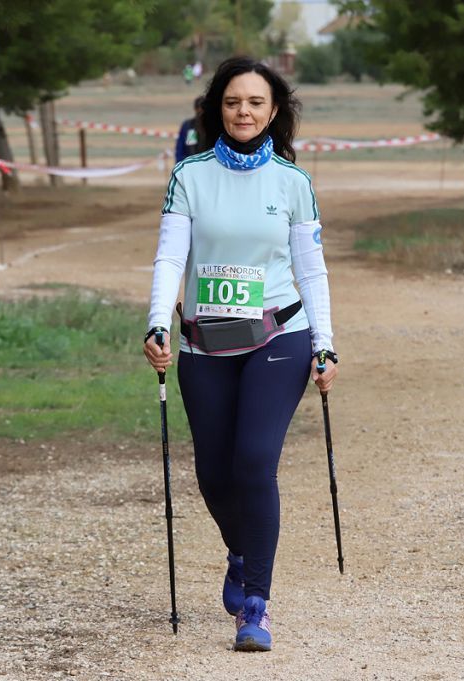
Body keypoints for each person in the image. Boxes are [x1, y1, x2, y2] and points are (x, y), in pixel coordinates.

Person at [143, 56, 337, 653]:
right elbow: (171, 256)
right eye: (232, 102)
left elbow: (311, 268)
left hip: (279, 335)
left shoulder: (292, 183)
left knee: (254, 462)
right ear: (216, 110)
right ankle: (242, 548)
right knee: (213, 475)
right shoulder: (190, 175)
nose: (244, 112)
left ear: (274, 111)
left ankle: (255, 603)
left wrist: (325, 343)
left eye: (255, 102)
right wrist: (156, 320)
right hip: (206, 340)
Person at [174, 96, 205, 163]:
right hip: (189, 166)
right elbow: (180, 151)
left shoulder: (213, 127)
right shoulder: (189, 126)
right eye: (199, 110)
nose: (201, 113)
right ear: (195, 109)